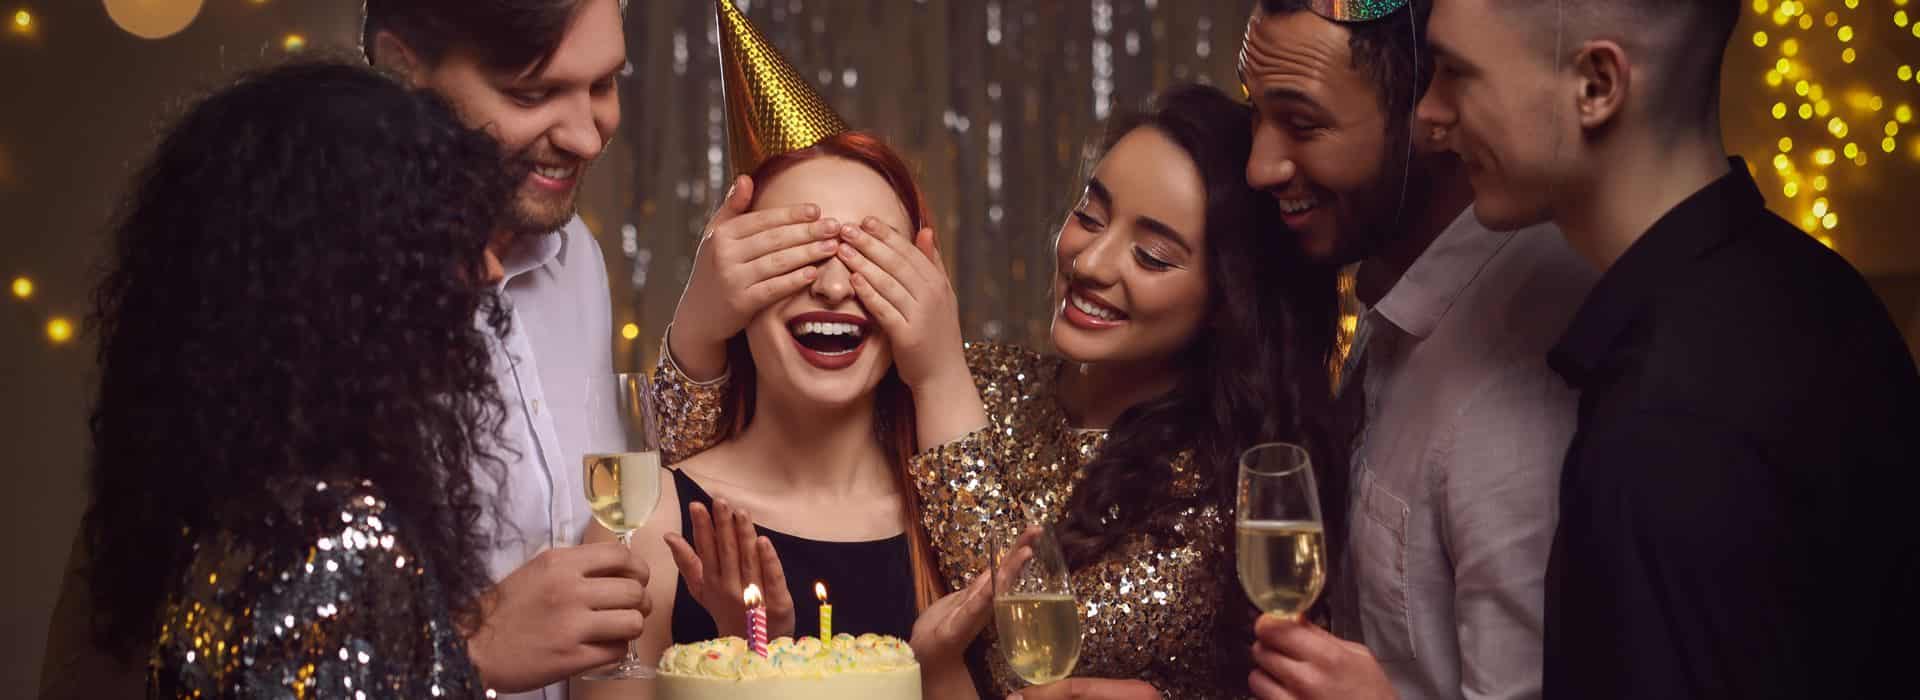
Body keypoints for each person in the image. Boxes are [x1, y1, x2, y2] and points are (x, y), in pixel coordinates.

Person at [658, 82, 1342, 698]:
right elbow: (718, 467)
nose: (1091, 262)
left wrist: (939, 374)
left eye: (1153, 256)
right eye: (1091, 215)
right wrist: (700, 323)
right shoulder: (984, 381)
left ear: (1227, 300)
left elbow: (1022, 651)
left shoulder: (1223, 484)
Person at [1416, 1, 1920, 698]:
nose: (1430, 114)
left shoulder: (1665, 430)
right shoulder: (1824, 291)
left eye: (1454, 73)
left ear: (1597, 85)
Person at [75, 61, 535, 697]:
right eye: (444, 238)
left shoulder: (224, 511)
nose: (487, 270)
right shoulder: (341, 539)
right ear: (349, 277)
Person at [575, 6, 992, 698]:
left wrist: (937, 670)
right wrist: (741, 671)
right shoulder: (648, 525)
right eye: (797, 255)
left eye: (868, 258)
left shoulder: (957, 536)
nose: (832, 285)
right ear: (733, 287)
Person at [1240, 2, 1595, 700]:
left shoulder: (1515, 371)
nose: (1259, 166)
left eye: (1302, 123)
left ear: (1432, 115)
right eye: (1256, 113)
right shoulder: (1397, 297)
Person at [361, 1, 652, 696]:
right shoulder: (311, 289)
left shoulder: (573, 255)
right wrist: (462, 643)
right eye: (534, 93)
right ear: (404, 69)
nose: (587, 136)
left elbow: (606, 519)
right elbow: (221, 642)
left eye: (604, 84)